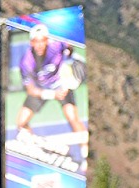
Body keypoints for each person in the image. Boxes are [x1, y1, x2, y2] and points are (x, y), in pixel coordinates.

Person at [15, 23, 86, 167]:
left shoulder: (57, 46)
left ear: (47, 40)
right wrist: (52, 94)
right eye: (36, 41)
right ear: (31, 43)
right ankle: (34, 148)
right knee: (21, 123)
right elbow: (31, 90)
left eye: (43, 41)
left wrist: (69, 59)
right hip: (42, 89)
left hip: (61, 84)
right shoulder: (26, 61)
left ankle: (85, 155)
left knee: (73, 117)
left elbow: (69, 47)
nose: (40, 45)